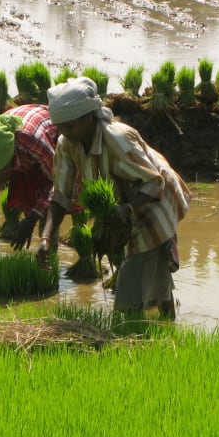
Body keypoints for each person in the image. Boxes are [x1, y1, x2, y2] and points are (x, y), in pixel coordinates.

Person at [36, 77, 191, 319]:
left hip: (156, 198)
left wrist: (127, 209)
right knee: (151, 265)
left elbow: (154, 182)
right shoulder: (68, 143)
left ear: (88, 117)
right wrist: (46, 237)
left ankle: (131, 331)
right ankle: (167, 324)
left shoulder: (117, 140)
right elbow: (60, 195)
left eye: (71, 126)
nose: (65, 133)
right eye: (61, 128)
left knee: (131, 282)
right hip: (123, 204)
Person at [0, 104, 60, 256]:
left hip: (47, 151)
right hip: (22, 155)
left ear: (11, 159)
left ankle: (48, 262)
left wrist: (31, 219)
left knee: (46, 214)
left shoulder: (34, 142)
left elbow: (58, 183)